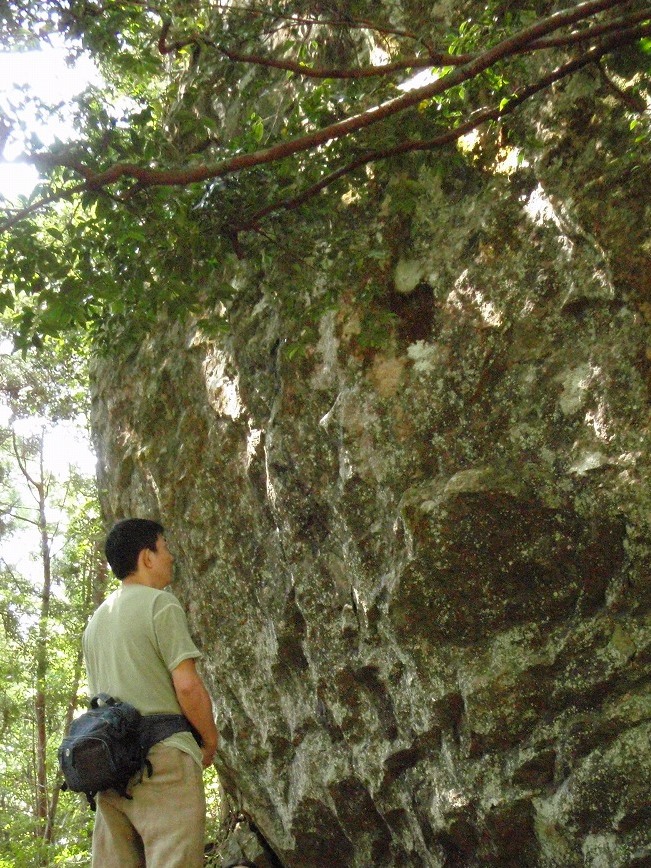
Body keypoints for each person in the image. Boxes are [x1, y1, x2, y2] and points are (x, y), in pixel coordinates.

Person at [83, 518, 219, 868]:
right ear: (147, 557)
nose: (171, 557)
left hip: (110, 768)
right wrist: (208, 739)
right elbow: (187, 685)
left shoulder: (96, 622)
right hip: (162, 762)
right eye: (165, 548)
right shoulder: (160, 604)